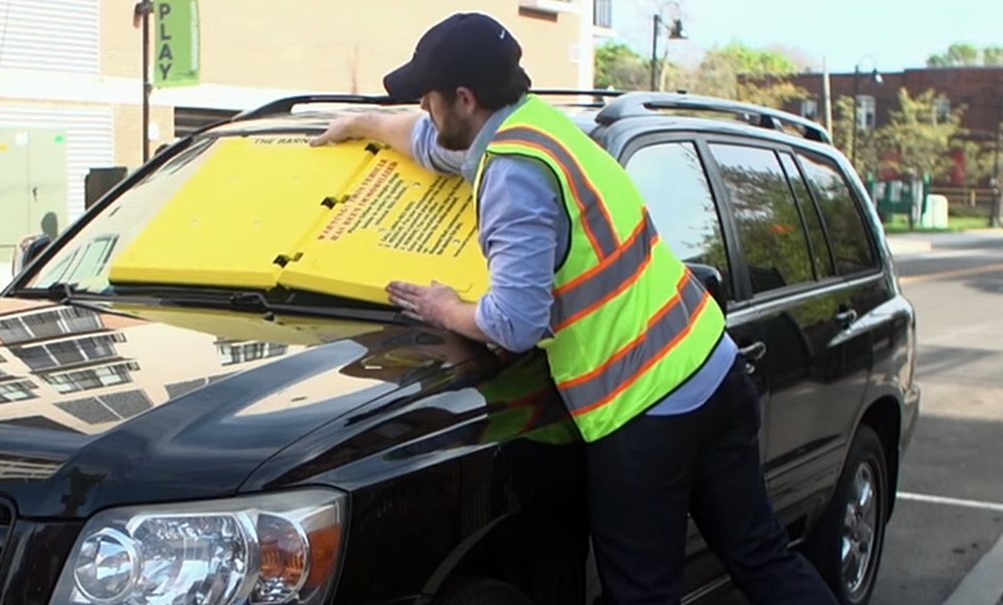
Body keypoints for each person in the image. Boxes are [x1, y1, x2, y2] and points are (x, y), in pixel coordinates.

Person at [309, 12, 839, 605]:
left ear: (464, 98)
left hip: (644, 406)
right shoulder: (537, 129)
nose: (426, 110)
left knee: (640, 592)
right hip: (711, 369)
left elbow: (515, 323)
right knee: (762, 556)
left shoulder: (514, 174)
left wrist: (445, 307)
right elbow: (428, 141)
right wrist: (362, 123)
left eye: (430, 99)